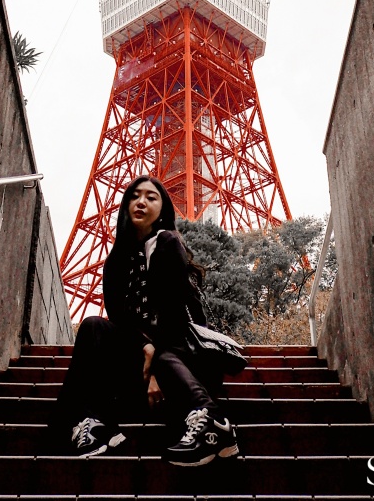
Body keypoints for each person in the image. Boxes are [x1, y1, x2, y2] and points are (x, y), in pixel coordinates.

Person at [49, 176, 238, 467]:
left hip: (181, 356)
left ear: (162, 210)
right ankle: (92, 423)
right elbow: (118, 318)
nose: (141, 201)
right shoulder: (116, 261)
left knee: (164, 350)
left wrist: (155, 363)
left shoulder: (167, 242)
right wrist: (146, 350)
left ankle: (210, 419)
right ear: (126, 206)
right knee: (92, 326)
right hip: (139, 360)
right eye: (135, 196)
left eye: (151, 197)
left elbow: (176, 314)